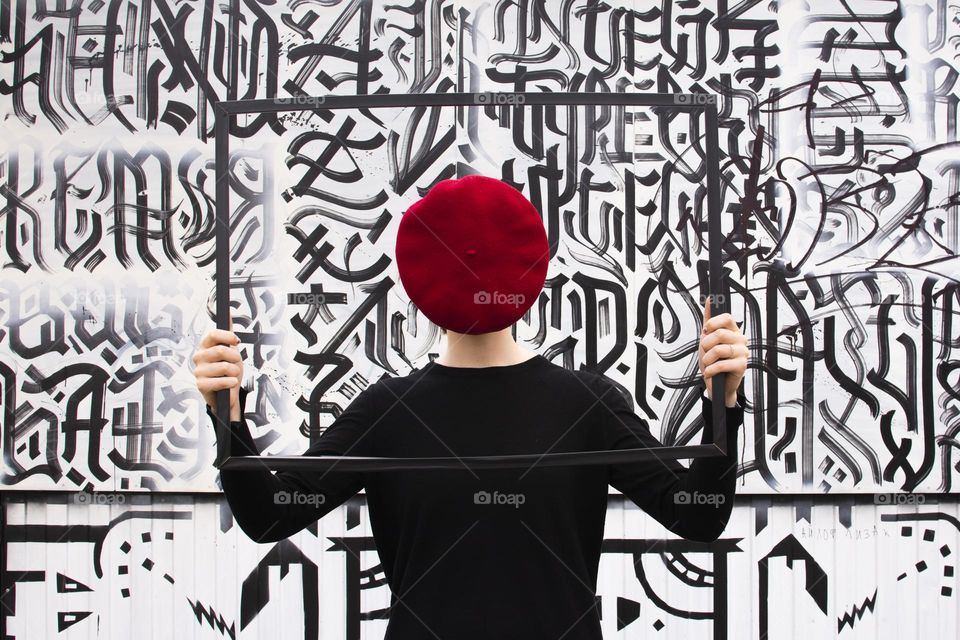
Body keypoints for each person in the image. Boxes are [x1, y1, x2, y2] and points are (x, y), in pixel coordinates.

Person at [193, 175, 747, 639]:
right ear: (531, 272)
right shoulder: (582, 404)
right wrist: (227, 413)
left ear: (418, 283)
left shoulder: (578, 407)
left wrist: (723, 401)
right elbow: (270, 516)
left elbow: (697, 514)